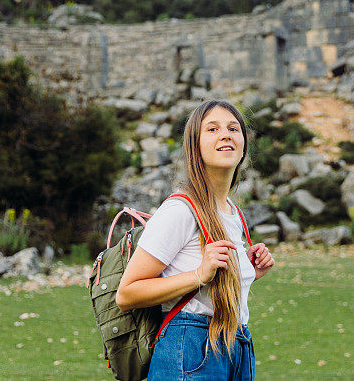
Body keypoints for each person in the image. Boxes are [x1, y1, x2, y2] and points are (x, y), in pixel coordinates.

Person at [116, 99, 275, 380]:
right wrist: (200, 274)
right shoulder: (180, 209)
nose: (225, 134)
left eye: (233, 128)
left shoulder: (233, 212)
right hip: (191, 348)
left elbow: (213, 289)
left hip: (237, 346)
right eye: (212, 129)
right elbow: (127, 294)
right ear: (195, 146)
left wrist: (248, 271)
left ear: (243, 144)